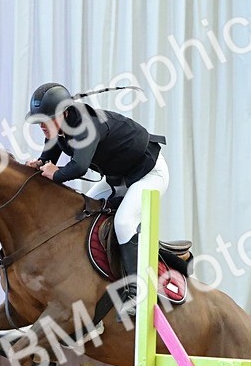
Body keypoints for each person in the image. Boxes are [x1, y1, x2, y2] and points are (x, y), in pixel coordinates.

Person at [24, 82, 168, 320]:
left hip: (149, 173)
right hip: (118, 177)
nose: (41, 125)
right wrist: (39, 163)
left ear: (64, 113)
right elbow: (50, 154)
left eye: (45, 120)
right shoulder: (60, 126)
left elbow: (78, 167)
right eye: (38, 120)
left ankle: (138, 295)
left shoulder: (86, 126)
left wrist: (55, 173)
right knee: (80, 212)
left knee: (123, 223)